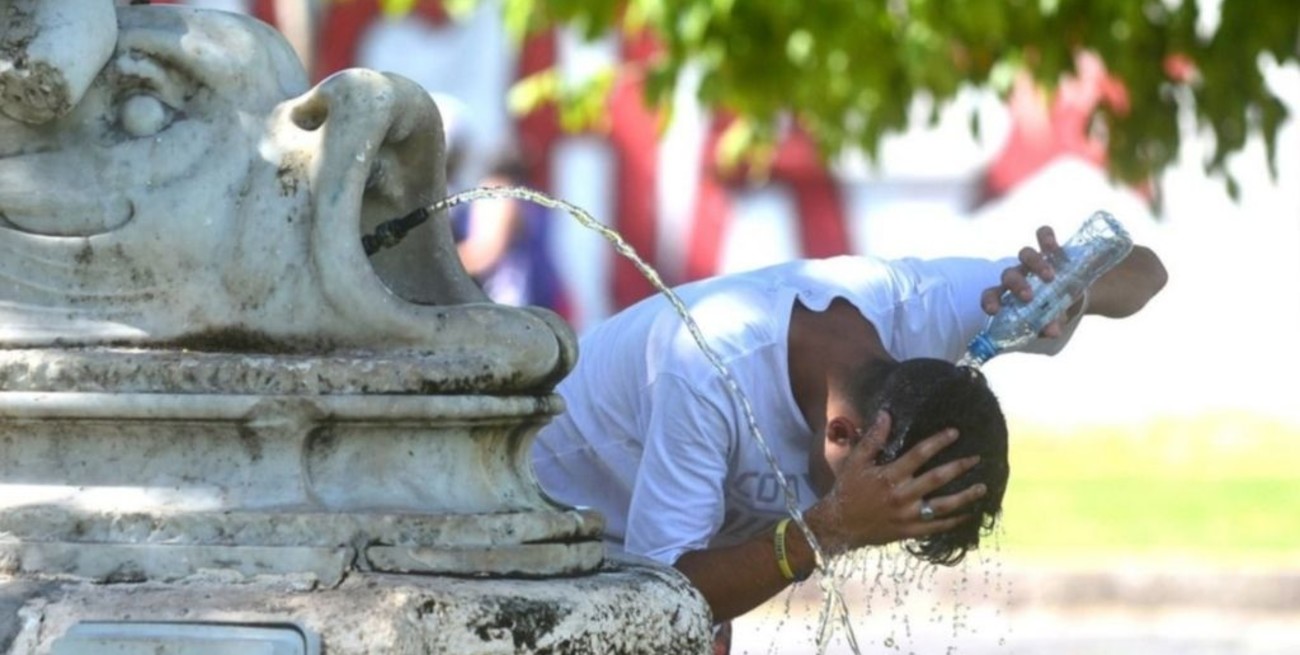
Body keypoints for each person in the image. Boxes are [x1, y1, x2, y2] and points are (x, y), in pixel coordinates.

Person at [531, 225, 1167, 632]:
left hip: (680, 555)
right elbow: (660, 602)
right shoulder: (706, 369)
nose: (870, 528)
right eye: (871, 506)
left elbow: (1148, 272)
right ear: (841, 435)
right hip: (540, 521)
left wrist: (1072, 288)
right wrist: (829, 529)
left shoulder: (935, 315)